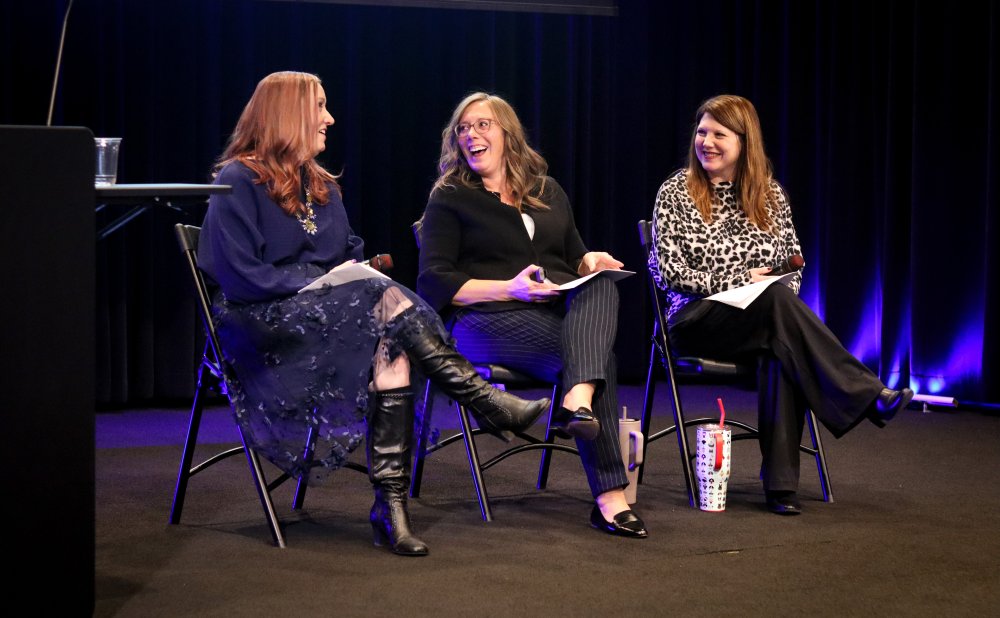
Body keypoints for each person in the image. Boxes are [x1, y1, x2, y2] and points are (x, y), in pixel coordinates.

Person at [197, 72, 550, 556]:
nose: (330, 118)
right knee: (377, 294)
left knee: (394, 341)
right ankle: (481, 398)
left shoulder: (319, 184)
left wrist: (344, 275)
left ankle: (391, 507)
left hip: (328, 318)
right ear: (288, 114)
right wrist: (321, 281)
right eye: (320, 107)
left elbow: (347, 251)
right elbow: (240, 278)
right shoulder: (238, 179)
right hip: (262, 327)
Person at [647, 94, 914, 515]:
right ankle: (865, 393)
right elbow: (670, 274)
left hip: (762, 320)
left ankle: (781, 487)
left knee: (781, 344)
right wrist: (741, 282)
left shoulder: (770, 196)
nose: (707, 142)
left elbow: (792, 267)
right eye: (702, 132)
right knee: (777, 312)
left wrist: (765, 290)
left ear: (744, 141)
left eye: (720, 134)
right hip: (694, 319)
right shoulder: (677, 191)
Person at [416, 92, 647, 538]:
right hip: (482, 320)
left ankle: (575, 402)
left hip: (551, 314)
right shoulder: (450, 197)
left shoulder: (548, 191)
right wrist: (511, 287)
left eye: (482, 125)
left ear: (507, 133)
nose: (471, 135)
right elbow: (433, 281)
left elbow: (574, 256)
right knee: (600, 362)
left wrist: (589, 261)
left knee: (601, 283)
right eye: (463, 128)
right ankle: (609, 497)